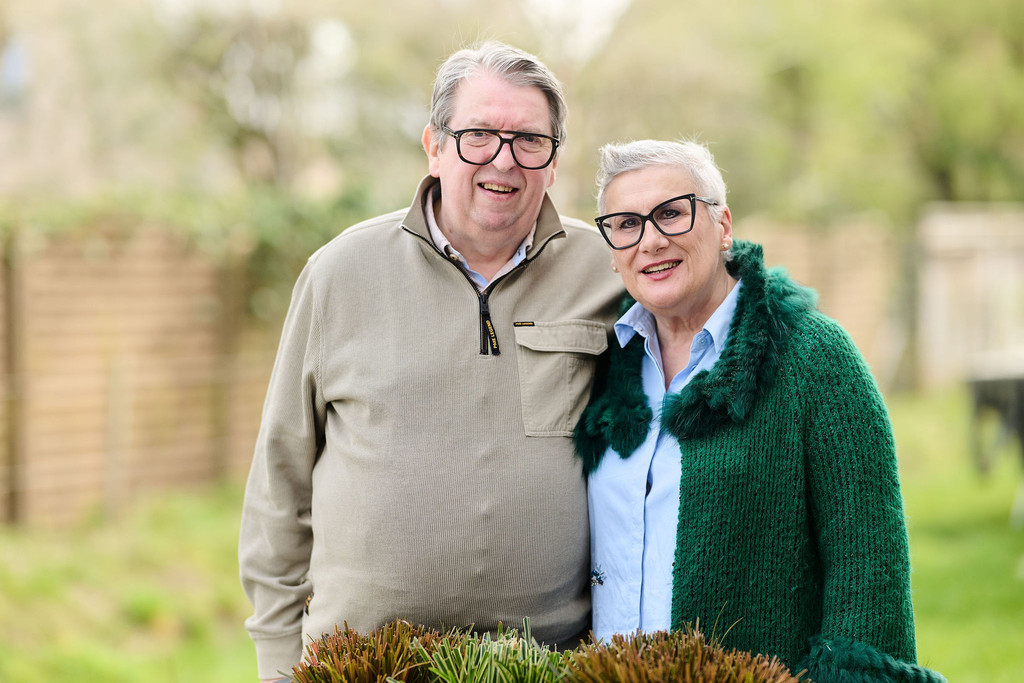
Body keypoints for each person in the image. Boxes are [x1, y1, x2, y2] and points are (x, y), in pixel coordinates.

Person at [238, 42, 624, 682]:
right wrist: (280, 664)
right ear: (434, 146)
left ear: (554, 162)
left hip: (551, 667)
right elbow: (281, 481)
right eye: (478, 135)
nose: (504, 159)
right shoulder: (340, 273)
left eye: (530, 140)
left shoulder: (609, 270)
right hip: (361, 667)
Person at [574, 139, 945, 682]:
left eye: (672, 214)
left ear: (723, 225)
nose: (650, 241)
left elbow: (869, 575)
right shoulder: (604, 363)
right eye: (626, 224)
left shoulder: (815, 359)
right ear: (611, 245)